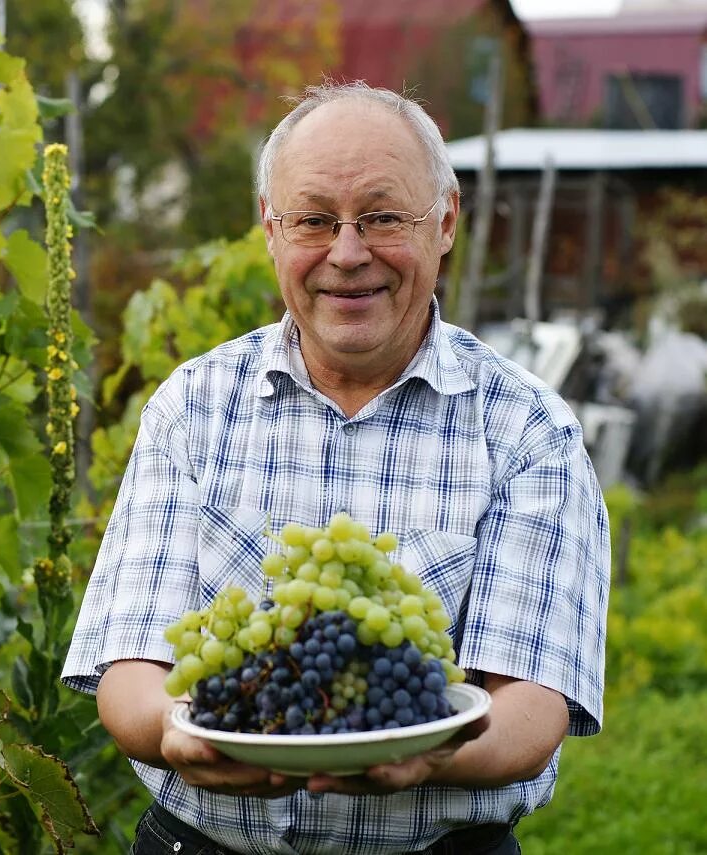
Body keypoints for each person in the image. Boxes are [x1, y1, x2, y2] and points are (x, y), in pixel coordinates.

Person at [61, 81, 609, 855]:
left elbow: (530, 708)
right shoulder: (193, 407)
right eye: (315, 220)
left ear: (445, 221)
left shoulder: (528, 432)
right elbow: (129, 676)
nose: (347, 254)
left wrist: (428, 758)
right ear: (271, 230)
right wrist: (174, 733)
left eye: (382, 217)